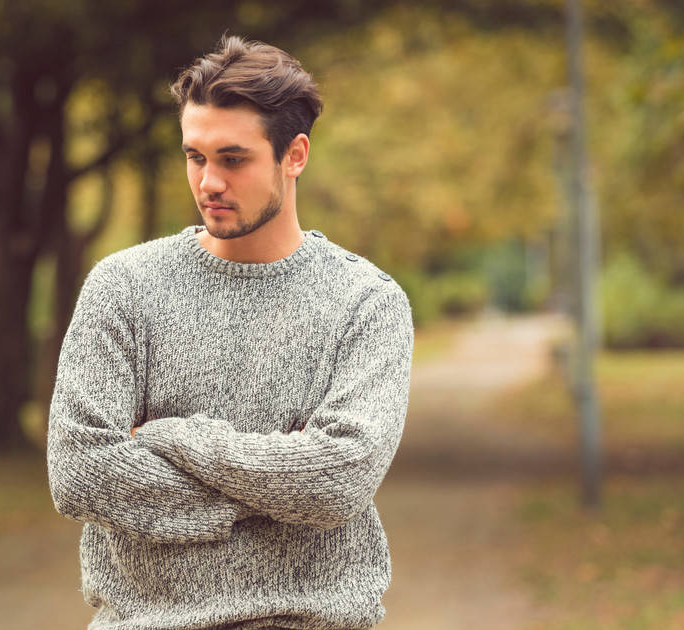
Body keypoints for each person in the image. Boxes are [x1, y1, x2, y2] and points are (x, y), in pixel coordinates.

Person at [47, 36, 413, 630]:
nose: (209, 182)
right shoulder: (123, 287)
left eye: (233, 159)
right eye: (195, 157)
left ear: (294, 155)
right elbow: (79, 474)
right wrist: (280, 479)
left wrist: (174, 440)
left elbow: (339, 480)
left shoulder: (366, 303)